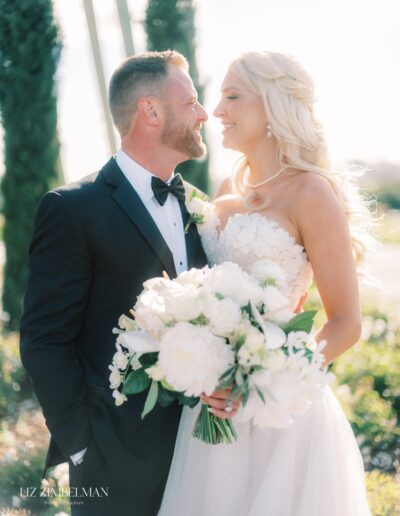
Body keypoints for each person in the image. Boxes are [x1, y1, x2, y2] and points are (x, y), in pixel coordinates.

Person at [159, 51, 372, 515]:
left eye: (233, 97)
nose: (217, 112)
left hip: (282, 413)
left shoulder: (311, 192)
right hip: (212, 408)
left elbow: (345, 323)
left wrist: (261, 379)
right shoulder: (225, 196)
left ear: (273, 106)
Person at [19, 50, 229, 516]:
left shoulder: (198, 207)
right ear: (150, 111)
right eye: (191, 101)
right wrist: (81, 446)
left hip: (200, 455)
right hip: (111, 464)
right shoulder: (73, 208)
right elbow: (44, 340)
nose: (203, 114)